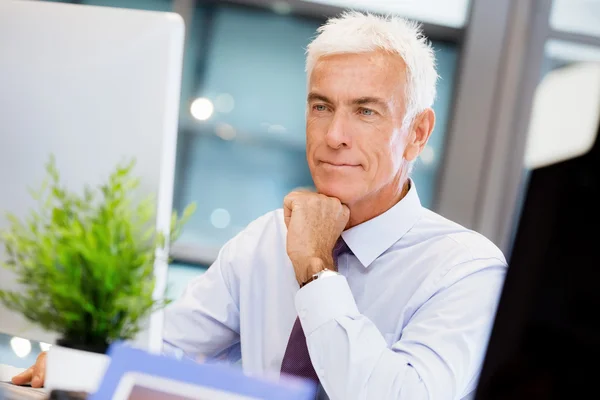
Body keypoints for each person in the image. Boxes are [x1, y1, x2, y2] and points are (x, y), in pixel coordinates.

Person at [13, 11, 507, 400]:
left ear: (417, 133)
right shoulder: (265, 238)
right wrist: (82, 364)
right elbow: (163, 350)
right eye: (321, 106)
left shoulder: (466, 270)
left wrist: (316, 269)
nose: (335, 136)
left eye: (365, 111)